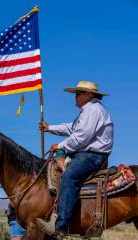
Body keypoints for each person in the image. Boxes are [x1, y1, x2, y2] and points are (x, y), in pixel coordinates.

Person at [36, 81, 113, 239]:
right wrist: (50, 128)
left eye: (78, 94)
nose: (75, 97)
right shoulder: (88, 110)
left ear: (89, 95)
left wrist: (60, 145)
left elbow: (81, 137)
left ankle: (61, 227)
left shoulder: (93, 110)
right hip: (85, 153)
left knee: (69, 177)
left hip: (93, 155)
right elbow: (72, 128)